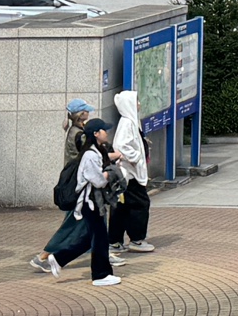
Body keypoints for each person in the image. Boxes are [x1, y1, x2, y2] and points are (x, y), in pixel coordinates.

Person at [30, 99, 118, 273]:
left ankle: (102, 255)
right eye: (86, 111)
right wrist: (116, 157)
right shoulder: (80, 135)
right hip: (82, 188)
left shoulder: (74, 131)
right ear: (81, 114)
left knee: (89, 228)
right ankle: (44, 256)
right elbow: (92, 158)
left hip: (81, 187)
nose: (88, 113)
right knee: (72, 225)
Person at [47, 118, 121, 287]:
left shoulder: (95, 151)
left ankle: (58, 258)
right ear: (96, 134)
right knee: (100, 238)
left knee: (90, 238)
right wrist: (110, 174)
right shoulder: (90, 155)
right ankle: (100, 275)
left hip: (92, 202)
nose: (106, 132)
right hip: (90, 202)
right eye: (104, 130)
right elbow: (98, 181)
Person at [108, 91, 154, 254]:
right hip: (129, 175)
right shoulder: (128, 123)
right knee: (141, 204)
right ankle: (136, 239)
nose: (139, 104)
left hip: (128, 174)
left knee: (121, 207)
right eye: (136, 101)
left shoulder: (131, 122)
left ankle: (114, 241)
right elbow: (121, 146)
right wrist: (137, 156)